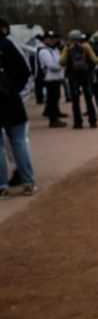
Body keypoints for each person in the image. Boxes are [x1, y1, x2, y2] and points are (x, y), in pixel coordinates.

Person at [0, 18, 37, 197]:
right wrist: (13, 90)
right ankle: (27, 182)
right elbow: (24, 71)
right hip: (10, 100)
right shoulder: (7, 45)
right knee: (19, 141)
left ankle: (2, 186)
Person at [60, 29, 98, 129]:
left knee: (75, 100)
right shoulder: (86, 46)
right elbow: (95, 60)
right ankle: (92, 121)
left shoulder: (67, 48)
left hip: (72, 76)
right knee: (89, 98)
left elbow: (62, 62)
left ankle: (78, 122)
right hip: (85, 75)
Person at [38, 31, 67, 128]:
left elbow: (60, 61)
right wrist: (61, 66)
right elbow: (52, 65)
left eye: (53, 38)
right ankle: (53, 120)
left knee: (55, 98)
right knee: (52, 99)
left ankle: (55, 117)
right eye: (49, 39)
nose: (52, 40)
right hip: (49, 78)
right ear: (45, 40)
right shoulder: (44, 51)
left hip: (56, 78)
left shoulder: (54, 50)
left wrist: (61, 65)